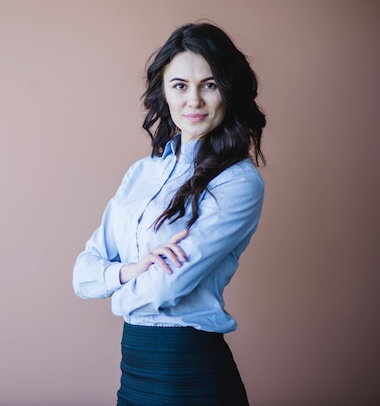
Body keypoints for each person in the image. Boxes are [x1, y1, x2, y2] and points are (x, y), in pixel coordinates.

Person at [72, 22, 266, 405]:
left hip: (190, 372)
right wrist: (129, 270)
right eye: (180, 85)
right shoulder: (140, 173)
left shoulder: (238, 182)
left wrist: (116, 290)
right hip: (134, 371)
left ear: (228, 91)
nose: (193, 100)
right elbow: (82, 274)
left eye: (209, 85)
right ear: (164, 92)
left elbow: (166, 286)